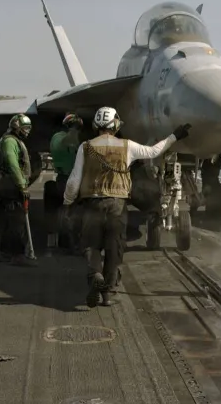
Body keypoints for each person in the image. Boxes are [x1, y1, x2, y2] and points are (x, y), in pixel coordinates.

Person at [63, 107, 191, 306]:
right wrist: (175, 135)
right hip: (117, 206)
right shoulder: (127, 146)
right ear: (115, 124)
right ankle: (107, 294)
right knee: (115, 248)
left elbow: (73, 181)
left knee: (91, 244)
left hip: (93, 204)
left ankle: (95, 274)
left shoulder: (85, 147)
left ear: (96, 125)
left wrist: (68, 202)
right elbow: (154, 151)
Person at [0, 113, 36, 267]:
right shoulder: (10, 142)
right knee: (17, 222)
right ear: (17, 127)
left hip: (10, 185)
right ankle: (17, 255)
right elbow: (13, 164)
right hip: (12, 187)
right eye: (25, 128)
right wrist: (22, 185)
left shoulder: (12, 140)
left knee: (10, 222)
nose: (27, 131)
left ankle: (5, 254)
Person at [46, 113, 82, 254]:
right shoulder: (60, 138)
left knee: (68, 212)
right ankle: (70, 244)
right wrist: (74, 131)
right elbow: (66, 145)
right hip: (67, 179)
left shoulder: (66, 138)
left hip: (68, 178)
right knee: (72, 213)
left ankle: (67, 241)